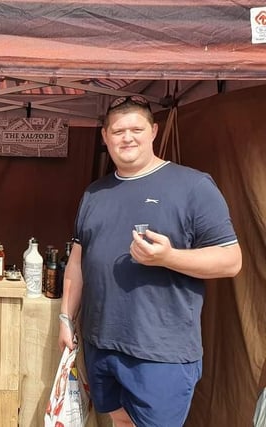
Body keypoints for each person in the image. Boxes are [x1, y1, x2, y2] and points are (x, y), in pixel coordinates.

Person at [58, 96, 242, 427]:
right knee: (119, 421)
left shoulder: (192, 186)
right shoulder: (94, 194)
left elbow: (231, 261)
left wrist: (169, 257)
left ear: (154, 131)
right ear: (104, 137)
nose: (127, 137)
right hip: (102, 342)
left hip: (161, 351)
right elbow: (76, 261)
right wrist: (65, 317)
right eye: (117, 131)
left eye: (136, 129)